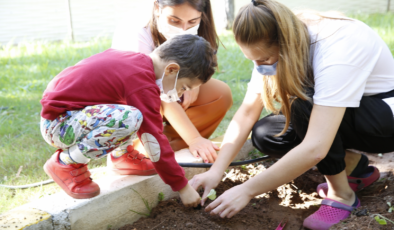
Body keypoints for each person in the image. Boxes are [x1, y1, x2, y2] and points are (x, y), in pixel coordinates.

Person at [190, 0, 394, 229]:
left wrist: (247, 190)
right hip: (347, 113)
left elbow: (316, 147)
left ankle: (342, 195)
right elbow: (247, 112)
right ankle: (354, 167)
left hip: (384, 121)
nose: (259, 67)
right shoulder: (272, 38)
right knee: (266, 133)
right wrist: (216, 171)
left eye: (264, 60)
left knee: (303, 103)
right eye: (252, 60)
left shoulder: (336, 48)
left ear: (285, 45)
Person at [40, 34, 216, 207]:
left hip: (67, 117)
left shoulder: (137, 63)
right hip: (59, 125)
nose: (180, 94)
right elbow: (153, 139)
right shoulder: (142, 84)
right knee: (131, 117)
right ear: (171, 70)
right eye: (183, 87)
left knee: (133, 113)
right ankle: (66, 162)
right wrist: (182, 186)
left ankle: (121, 157)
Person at [112, 0, 233, 163]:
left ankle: (170, 146)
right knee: (155, 101)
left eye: (192, 22)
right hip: (135, 100)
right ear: (157, 8)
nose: (183, 29)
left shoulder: (200, 27)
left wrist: (191, 82)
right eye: (174, 21)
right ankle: (134, 149)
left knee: (220, 94)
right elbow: (155, 94)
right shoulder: (137, 32)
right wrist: (194, 138)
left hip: (166, 91)